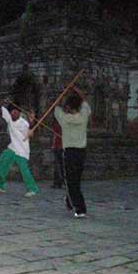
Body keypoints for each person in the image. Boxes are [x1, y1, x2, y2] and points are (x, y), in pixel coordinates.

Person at [0, 100, 39, 198]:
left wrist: (32, 123)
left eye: (16, 112)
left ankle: (33, 189)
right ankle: (0, 185)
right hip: (12, 148)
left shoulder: (24, 123)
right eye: (12, 112)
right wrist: (5, 102)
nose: (14, 114)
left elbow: (30, 134)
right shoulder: (9, 119)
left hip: (22, 150)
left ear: (19, 113)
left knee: (24, 170)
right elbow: (3, 109)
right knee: (2, 163)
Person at [54, 86, 91, 218]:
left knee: (71, 181)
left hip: (70, 153)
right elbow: (85, 101)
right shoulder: (84, 115)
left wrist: (62, 95)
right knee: (76, 180)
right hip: (81, 153)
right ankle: (70, 201)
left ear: (69, 107)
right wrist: (76, 89)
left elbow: (56, 107)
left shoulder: (64, 118)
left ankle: (80, 209)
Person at [51, 119, 65, 189]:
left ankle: (59, 182)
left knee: (59, 165)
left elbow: (54, 136)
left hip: (59, 146)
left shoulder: (58, 123)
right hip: (61, 146)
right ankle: (58, 182)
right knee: (60, 165)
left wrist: (53, 145)